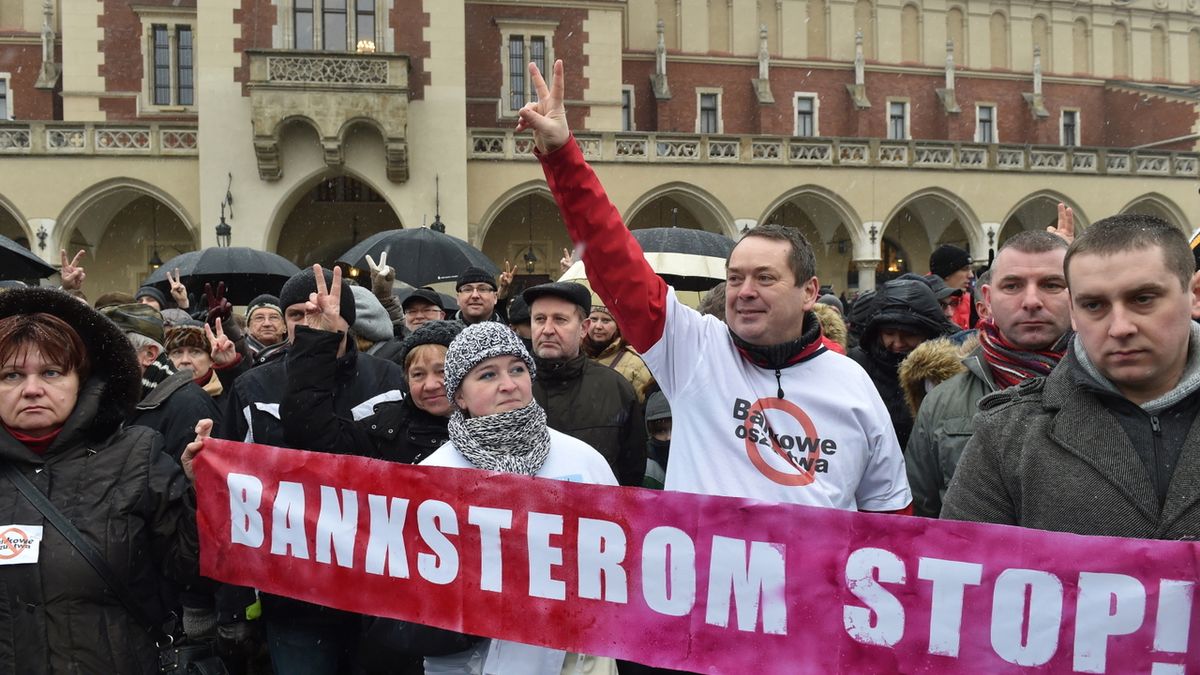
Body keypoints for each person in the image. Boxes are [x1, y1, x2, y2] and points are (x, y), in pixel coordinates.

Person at [517, 59, 910, 512]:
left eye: (765, 278)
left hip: (808, 584)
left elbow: (892, 521)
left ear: (809, 291)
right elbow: (612, 258)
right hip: (699, 582)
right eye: (736, 277)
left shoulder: (853, 385)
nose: (745, 291)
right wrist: (564, 156)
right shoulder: (693, 349)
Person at [942, 214, 1200, 538]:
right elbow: (965, 572)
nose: (1120, 327)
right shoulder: (1005, 438)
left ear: (1195, 294)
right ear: (1074, 313)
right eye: (1094, 305)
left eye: (1143, 299)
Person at [0, 287, 199, 674]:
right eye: (11, 375)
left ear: (81, 379)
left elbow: (191, 570)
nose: (32, 389)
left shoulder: (137, 456)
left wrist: (200, 494)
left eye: (52, 372)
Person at [220, 265, 406, 674]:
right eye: (298, 316)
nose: (311, 322)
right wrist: (233, 600)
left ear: (348, 319)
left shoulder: (389, 379)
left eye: (324, 310)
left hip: (378, 584)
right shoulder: (254, 387)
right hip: (295, 594)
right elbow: (231, 495)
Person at [421, 321, 617, 675]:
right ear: (459, 397)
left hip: (578, 659)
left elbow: (623, 557)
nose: (509, 384)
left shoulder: (582, 460)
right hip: (474, 663)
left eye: (517, 368)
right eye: (487, 375)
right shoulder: (433, 476)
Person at [906, 230, 1071, 517]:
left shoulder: (1115, 392)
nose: (1031, 300)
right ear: (988, 299)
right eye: (1012, 286)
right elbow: (922, 517)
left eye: (1052, 284)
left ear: (1079, 294)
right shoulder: (942, 402)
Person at [524, 281, 647, 487]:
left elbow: (631, 473)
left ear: (584, 328)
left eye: (560, 320)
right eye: (539, 319)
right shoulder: (508, 388)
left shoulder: (615, 388)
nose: (547, 330)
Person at [100, 303, 222, 461]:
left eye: (110, 349)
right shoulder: (119, 398)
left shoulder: (190, 406)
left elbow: (190, 482)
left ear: (149, 354)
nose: (99, 359)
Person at [847, 278, 957, 448]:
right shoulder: (858, 364)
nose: (898, 343)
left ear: (928, 333)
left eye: (909, 334)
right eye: (889, 333)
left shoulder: (946, 372)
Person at [583, 304, 654, 402]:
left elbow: (642, 406)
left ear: (618, 325)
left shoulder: (634, 363)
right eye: (593, 319)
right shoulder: (574, 356)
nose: (598, 326)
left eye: (606, 320)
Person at [929, 243, 974, 329]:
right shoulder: (925, 302)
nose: (971, 275)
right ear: (947, 273)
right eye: (965, 269)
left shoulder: (971, 301)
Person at [245, 294, 288, 364]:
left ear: (285, 326)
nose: (267, 324)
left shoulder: (296, 353)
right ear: (248, 327)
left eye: (274, 317)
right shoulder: (238, 357)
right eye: (259, 318)